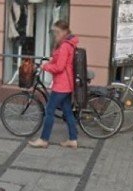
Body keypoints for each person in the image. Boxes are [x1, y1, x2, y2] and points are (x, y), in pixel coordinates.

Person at [28, 20, 79, 150]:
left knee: (49, 110)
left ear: (63, 32)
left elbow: (60, 67)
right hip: (66, 83)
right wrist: (51, 61)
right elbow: (60, 61)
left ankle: (44, 139)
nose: (55, 35)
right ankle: (73, 140)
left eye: (56, 32)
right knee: (67, 111)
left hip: (62, 85)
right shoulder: (67, 44)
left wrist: (45, 66)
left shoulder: (64, 46)